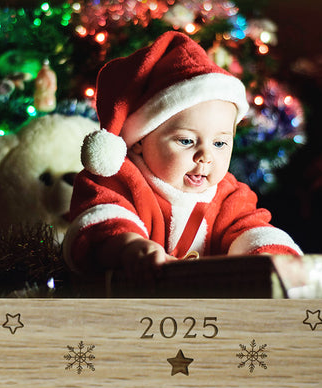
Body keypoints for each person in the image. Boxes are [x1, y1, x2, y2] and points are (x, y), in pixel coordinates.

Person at [63, 31, 301, 274]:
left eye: (219, 144)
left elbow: (250, 229)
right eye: (186, 141)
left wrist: (272, 256)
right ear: (139, 141)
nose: (205, 157)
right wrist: (128, 246)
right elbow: (98, 223)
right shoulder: (119, 180)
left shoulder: (230, 195)